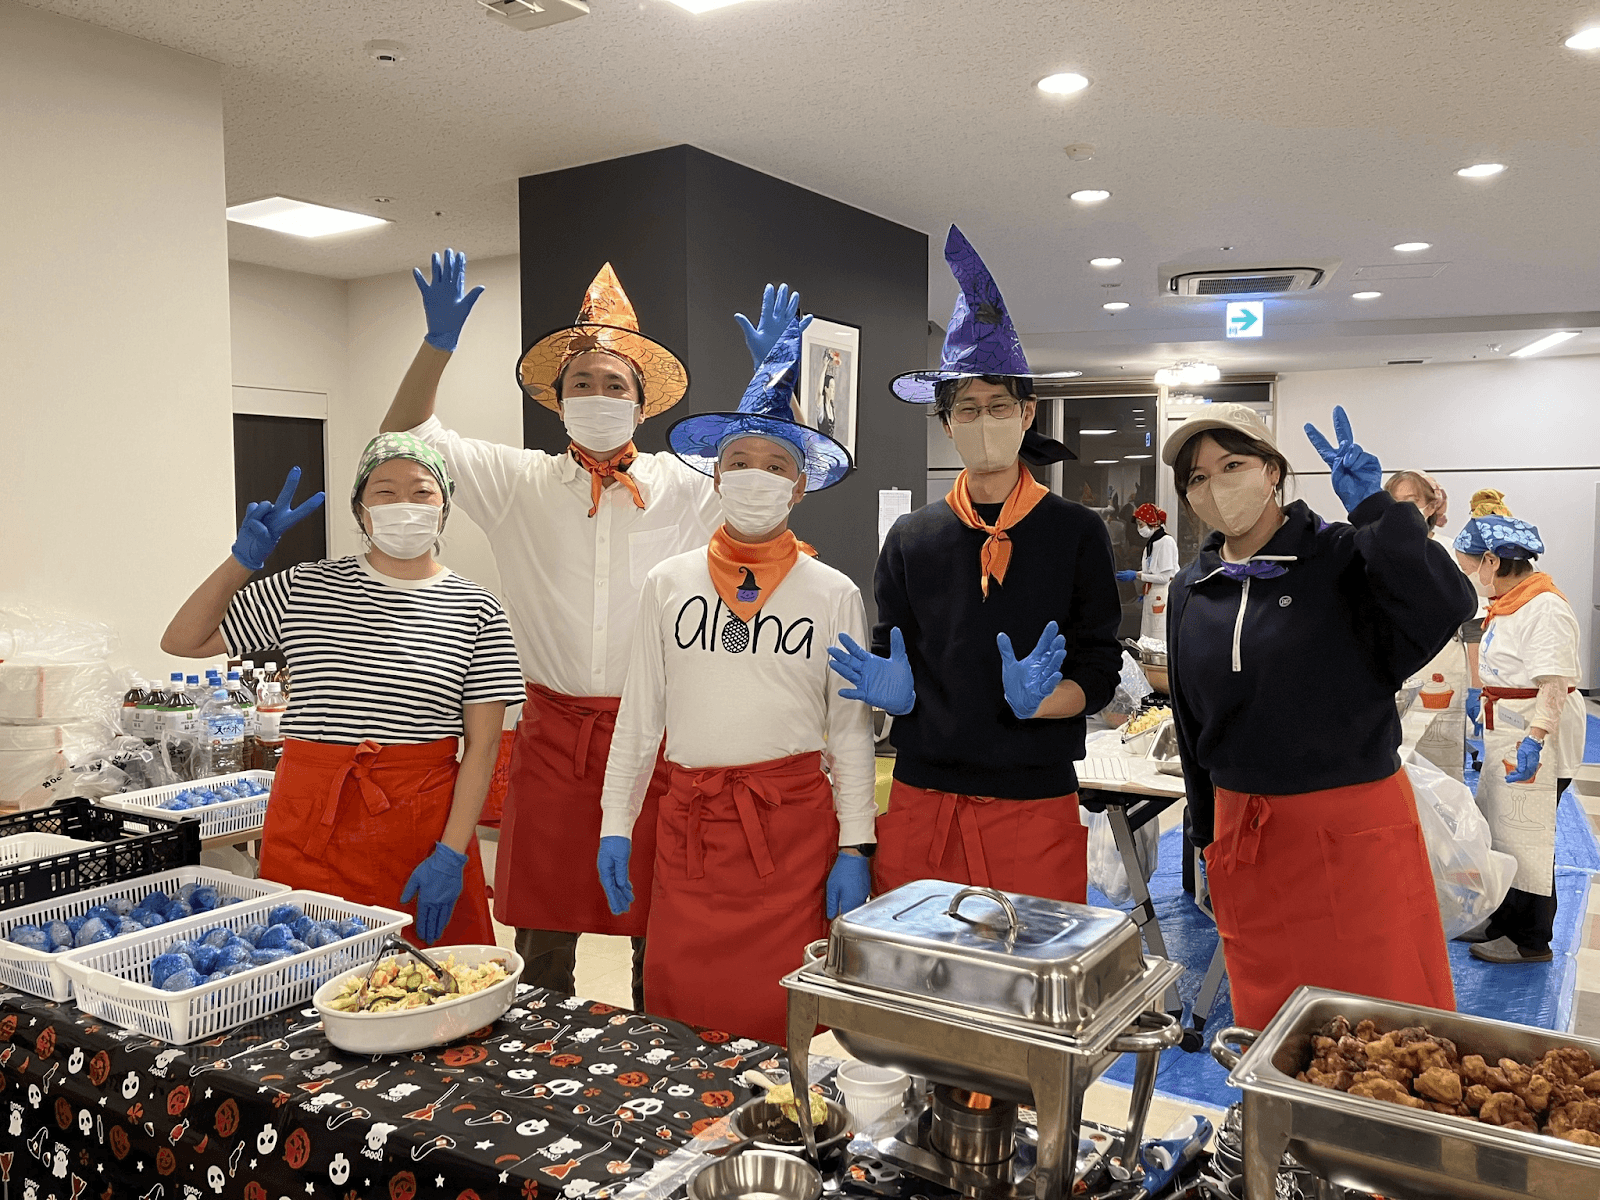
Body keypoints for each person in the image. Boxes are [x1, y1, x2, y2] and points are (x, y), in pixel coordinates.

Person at [381, 252, 802, 1006]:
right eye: (582, 382)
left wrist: (773, 382)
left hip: (657, 740)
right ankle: (536, 1074)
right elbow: (402, 438)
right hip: (553, 741)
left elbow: (767, 470)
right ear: (556, 399)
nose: (598, 395)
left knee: (657, 925)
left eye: (615, 385)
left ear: (642, 405)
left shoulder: (683, 484)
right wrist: (437, 343)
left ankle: (654, 1061)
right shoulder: (518, 484)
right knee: (542, 941)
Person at [595, 317, 875, 1044]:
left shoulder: (833, 592)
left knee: (781, 1027)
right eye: (740, 461)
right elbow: (639, 718)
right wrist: (615, 825)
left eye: (776, 465)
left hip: (790, 835)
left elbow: (848, 732)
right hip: (689, 833)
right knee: (680, 1022)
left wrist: (856, 846)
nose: (756, 476)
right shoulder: (667, 582)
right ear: (716, 478)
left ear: (801, 487)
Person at [829, 225, 1121, 904]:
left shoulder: (1076, 532)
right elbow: (890, 647)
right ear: (946, 423)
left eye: (999, 406)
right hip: (923, 795)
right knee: (920, 984)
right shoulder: (911, 537)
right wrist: (893, 696)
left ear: (1028, 414)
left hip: (1034, 799)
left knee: (1023, 989)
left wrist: (1047, 702)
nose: (984, 420)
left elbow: (1099, 670)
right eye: (968, 408)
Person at [1162, 403, 1475, 1029]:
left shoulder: (1343, 556)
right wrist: (1203, 834)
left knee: (1381, 1022)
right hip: (1244, 832)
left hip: (1350, 826)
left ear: (1273, 471)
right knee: (1269, 1022)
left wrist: (1379, 513)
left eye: (1232, 465)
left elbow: (1448, 601)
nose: (1214, 488)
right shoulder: (1193, 588)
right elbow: (1193, 722)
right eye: (1196, 478)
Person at [161, 437, 527, 944]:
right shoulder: (303, 588)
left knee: (428, 991)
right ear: (361, 508)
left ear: (444, 507)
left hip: (420, 828)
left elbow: (483, 747)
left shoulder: (476, 607)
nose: (404, 504)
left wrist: (452, 854)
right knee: (305, 980)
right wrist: (243, 561)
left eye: (422, 491)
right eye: (385, 490)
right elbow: (182, 640)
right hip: (311, 818)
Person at [1452, 513, 1585, 964]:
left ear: (1492, 559)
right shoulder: (1511, 600)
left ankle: (1530, 940)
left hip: (1536, 735)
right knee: (1502, 831)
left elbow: (1554, 684)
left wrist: (1535, 740)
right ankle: (1500, 920)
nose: (1473, 576)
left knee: (1529, 837)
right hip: (1508, 725)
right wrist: (1481, 692)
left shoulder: (1545, 607)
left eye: (1473, 566)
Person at [1385, 470, 1469, 781]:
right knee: (1394, 759)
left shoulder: (1450, 551)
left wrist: (1476, 688)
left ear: (1431, 505)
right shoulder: (1378, 548)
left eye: (1412, 501)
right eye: (1396, 501)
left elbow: (1471, 622)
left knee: (1440, 763)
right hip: (1394, 664)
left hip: (1444, 662)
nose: (1403, 508)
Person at [1116, 502, 1179, 642]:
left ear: (1154, 523)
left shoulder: (1166, 542)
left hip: (1162, 595)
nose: (1139, 528)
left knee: (1158, 638)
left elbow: (1165, 577)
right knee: (1148, 637)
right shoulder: (1152, 544)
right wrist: (1145, 592)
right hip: (1152, 593)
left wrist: (1136, 575)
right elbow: (1151, 571)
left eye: (1141, 524)